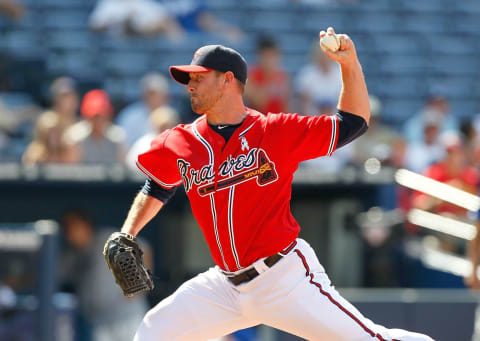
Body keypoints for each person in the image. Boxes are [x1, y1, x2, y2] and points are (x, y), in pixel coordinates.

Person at [110, 27, 434, 340]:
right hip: (224, 285)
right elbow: (158, 185)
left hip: (283, 276)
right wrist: (128, 232)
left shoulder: (275, 131)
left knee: (368, 339)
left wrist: (348, 65)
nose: (190, 85)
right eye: (189, 79)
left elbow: (353, 122)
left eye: (198, 77)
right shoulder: (181, 140)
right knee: (153, 331)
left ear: (227, 80)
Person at [60, 209, 150, 341]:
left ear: (86, 226)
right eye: (67, 229)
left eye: (73, 227)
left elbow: (144, 248)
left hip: (127, 317)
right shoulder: (71, 255)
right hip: (99, 322)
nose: (69, 234)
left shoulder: (107, 240)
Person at [65, 89, 127, 165]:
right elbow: (72, 170)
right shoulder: (75, 138)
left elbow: (123, 168)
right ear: (86, 116)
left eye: (101, 115)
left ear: (108, 115)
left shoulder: (118, 137)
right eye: (94, 116)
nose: (98, 120)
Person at [116, 73, 173, 148]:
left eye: (156, 93)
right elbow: (123, 144)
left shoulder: (171, 115)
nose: (153, 97)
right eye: (150, 93)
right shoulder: (130, 115)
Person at [244, 35, 290, 114]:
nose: (271, 60)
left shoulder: (282, 75)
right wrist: (270, 77)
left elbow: (286, 105)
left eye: (273, 55)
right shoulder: (250, 75)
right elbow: (259, 102)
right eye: (267, 56)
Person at [294, 41, 342, 116]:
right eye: (321, 54)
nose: (324, 58)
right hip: (313, 122)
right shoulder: (306, 75)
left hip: (337, 122)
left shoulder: (341, 75)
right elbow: (303, 105)